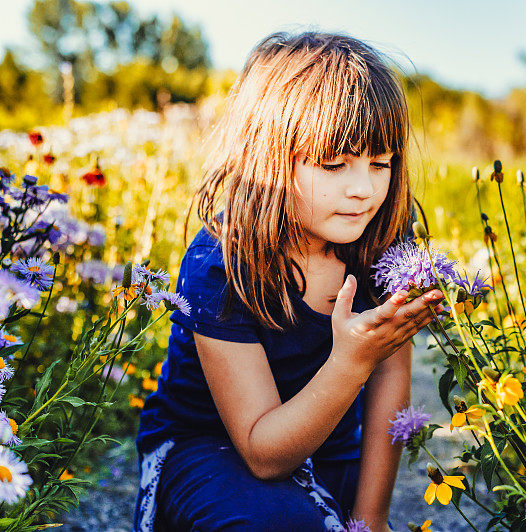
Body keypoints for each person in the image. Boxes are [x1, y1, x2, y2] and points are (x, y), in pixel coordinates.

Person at [132, 31, 444, 531]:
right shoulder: (222, 263)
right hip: (213, 451)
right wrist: (351, 360)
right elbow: (262, 454)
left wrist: (371, 519)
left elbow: (390, 376)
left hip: (328, 448)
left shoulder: (381, 239)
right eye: (333, 164)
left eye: (380, 164)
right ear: (267, 157)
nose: (363, 189)